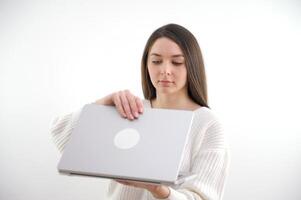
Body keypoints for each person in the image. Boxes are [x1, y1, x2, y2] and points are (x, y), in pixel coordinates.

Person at [50, 23, 230, 200]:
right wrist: (101, 105)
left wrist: (158, 190)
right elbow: (62, 135)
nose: (165, 70)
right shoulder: (131, 110)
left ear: (192, 65)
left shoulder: (207, 124)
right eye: (156, 61)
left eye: (177, 62)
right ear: (146, 65)